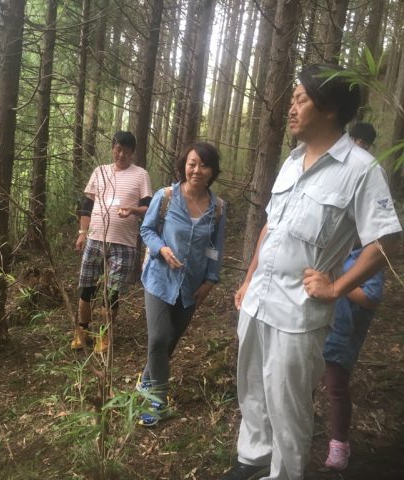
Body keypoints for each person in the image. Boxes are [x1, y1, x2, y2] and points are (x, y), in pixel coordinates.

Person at [222, 63, 402, 480]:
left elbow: (386, 242)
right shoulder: (291, 161)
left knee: (287, 404)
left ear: (329, 108)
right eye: (293, 99)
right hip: (258, 301)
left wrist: (336, 287)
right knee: (252, 389)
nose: (291, 108)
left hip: (297, 313)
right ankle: (253, 459)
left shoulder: (361, 169)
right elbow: (270, 227)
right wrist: (248, 280)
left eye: (300, 99)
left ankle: (284, 474)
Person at [137, 142, 226, 426]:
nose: (197, 170)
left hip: (190, 287)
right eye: (192, 163)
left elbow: (214, 248)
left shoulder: (217, 208)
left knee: (170, 341)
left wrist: (210, 280)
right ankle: (157, 401)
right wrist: (161, 249)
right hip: (159, 280)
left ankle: (147, 379)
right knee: (159, 338)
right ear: (183, 166)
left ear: (212, 171)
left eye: (204, 165)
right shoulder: (165, 197)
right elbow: (146, 230)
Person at [72, 131, 152, 352]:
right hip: (95, 239)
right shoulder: (100, 172)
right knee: (87, 288)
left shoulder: (140, 175)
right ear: (113, 148)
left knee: (112, 293)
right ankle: (82, 331)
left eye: (126, 151)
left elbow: (149, 207)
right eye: (118, 149)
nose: (121, 154)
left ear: (132, 152)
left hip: (123, 244)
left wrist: (133, 210)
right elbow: (87, 205)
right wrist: (82, 232)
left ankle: (104, 335)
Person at [322, 247, 384, 471]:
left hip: (342, 334)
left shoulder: (368, 255)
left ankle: (339, 444)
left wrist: (336, 283)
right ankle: (301, 430)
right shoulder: (333, 248)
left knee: (336, 387)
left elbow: (371, 297)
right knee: (305, 382)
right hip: (319, 328)